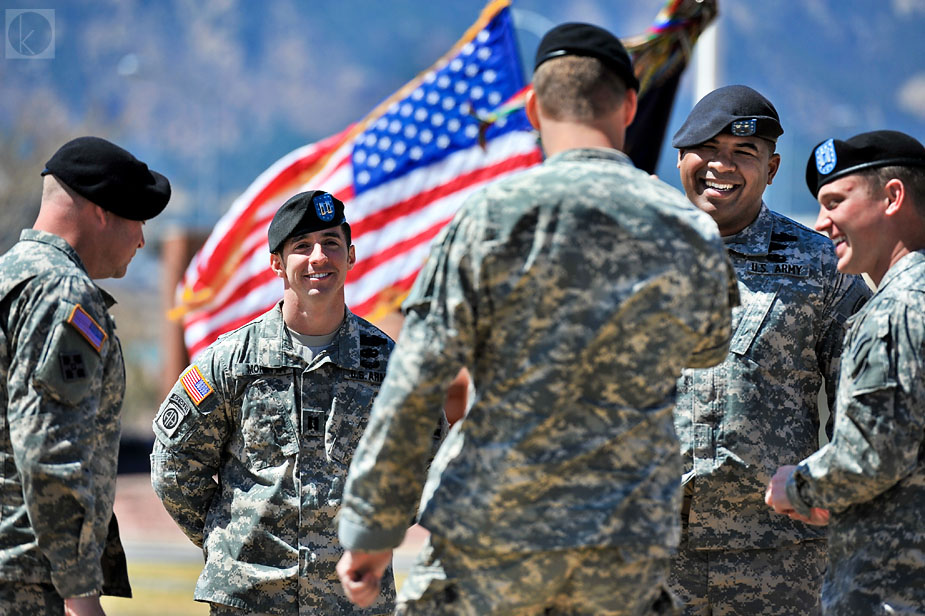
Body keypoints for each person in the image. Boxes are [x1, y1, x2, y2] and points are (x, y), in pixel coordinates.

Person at [335, 22, 738, 615]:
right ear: (629, 105)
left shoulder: (491, 218)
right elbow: (709, 349)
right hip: (623, 545)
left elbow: (416, 383)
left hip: (495, 535)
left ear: (530, 107)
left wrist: (371, 531)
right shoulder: (687, 228)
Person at [667, 85, 873, 615]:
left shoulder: (822, 264)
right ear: (681, 157)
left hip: (778, 558)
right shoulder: (635, 254)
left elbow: (860, 403)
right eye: (708, 150)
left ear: (772, 168)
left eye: (743, 153)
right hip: (649, 552)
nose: (722, 166)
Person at [151, 190, 398, 615]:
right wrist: (226, 538)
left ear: (351, 255)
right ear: (276, 263)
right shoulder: (231, 361)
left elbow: (423, 463)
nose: (319, 256)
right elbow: (174, 466)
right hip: (249, 598)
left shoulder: (387, 365)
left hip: (351, 601)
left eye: (331, 243)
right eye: (301, 246)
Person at [0, 136, 170, 616]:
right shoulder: (62, 293)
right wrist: (79, 593)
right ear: (101, 212)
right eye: (137, 217)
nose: (141, 239)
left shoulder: (11, 277)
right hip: (29, 581)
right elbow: (48, 448)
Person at [766, 130, 925, 614]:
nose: (821, 222)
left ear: (893, 197)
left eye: (836, 202)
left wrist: (797, 485)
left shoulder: (897, 309)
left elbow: (869, 456)